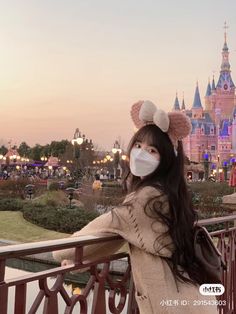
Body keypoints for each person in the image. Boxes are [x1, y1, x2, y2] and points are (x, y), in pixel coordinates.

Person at [53, 100, 218, 313]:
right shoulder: (172, 194)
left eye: (152, 150)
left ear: (166, 159)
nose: (140, 154)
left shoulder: (142, 201)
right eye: (138, 146)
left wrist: (67, 254)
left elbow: (83, 239)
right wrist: (83, 259)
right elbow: (122, 233)